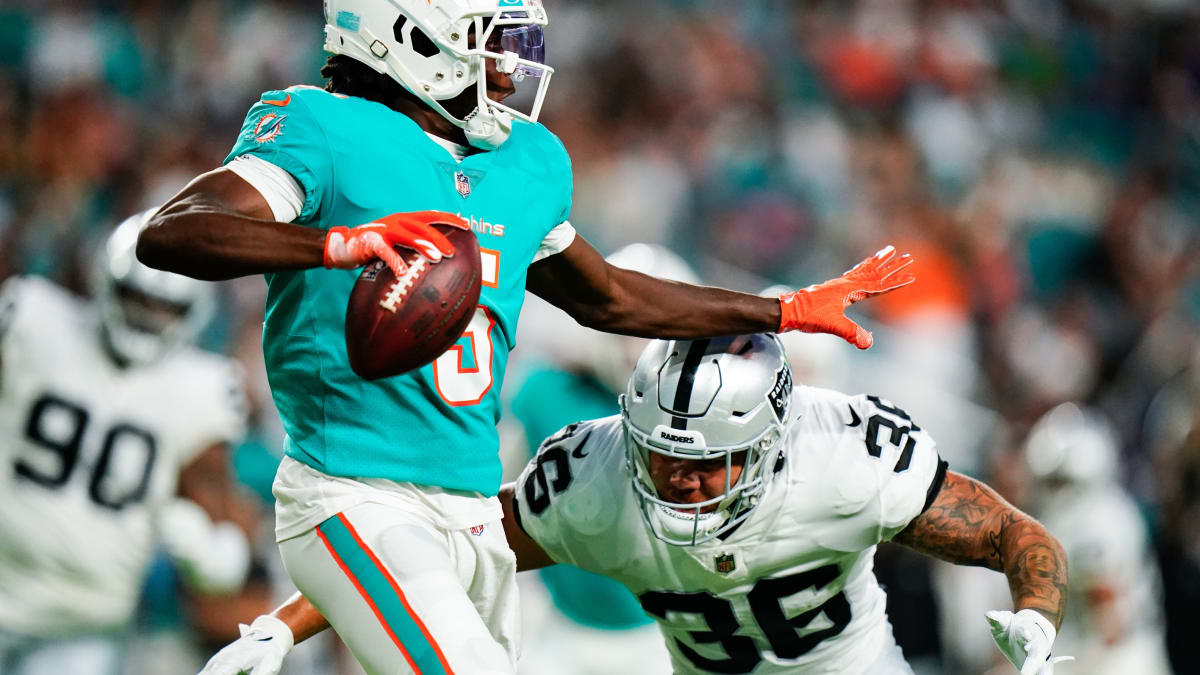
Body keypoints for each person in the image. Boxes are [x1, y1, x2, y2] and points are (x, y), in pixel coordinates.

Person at [135, 1, 916, 673]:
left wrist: (777, 311)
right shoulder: (324, 128)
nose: (507, 68)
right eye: (489, 39)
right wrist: (335, 243)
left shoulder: (524, 162)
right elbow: (171, 234)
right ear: (406, 35)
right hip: (353, 491)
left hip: (473, 510)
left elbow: (607, 296)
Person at [203, 335, 1071, 675]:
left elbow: (1006, 530)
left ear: (768, 442)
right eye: (663, 457)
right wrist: (284, 621)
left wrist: (1036, 611)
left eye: (710, 465)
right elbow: (428, 552)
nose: (681, 482)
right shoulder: (594, 477)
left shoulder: (844, 455)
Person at [0, 211, 252, 675]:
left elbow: (219, 516)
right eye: (137, 299)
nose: (146, 317)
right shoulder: (31, 316)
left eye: (163, 308)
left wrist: (215, 554)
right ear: (106, 279)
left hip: (81, 624)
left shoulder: (203, 388)